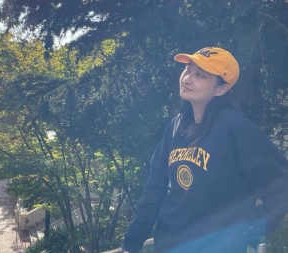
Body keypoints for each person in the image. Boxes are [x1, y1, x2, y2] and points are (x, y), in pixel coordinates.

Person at [120, 47, 288, 253]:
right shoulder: (176, 127)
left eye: (200, 75)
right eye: (187, 70)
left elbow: (281, 185)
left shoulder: (236, 128)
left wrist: (250, 229)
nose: (187, 79)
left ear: (221, 89)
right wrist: (131, 244)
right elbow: (155, 189)